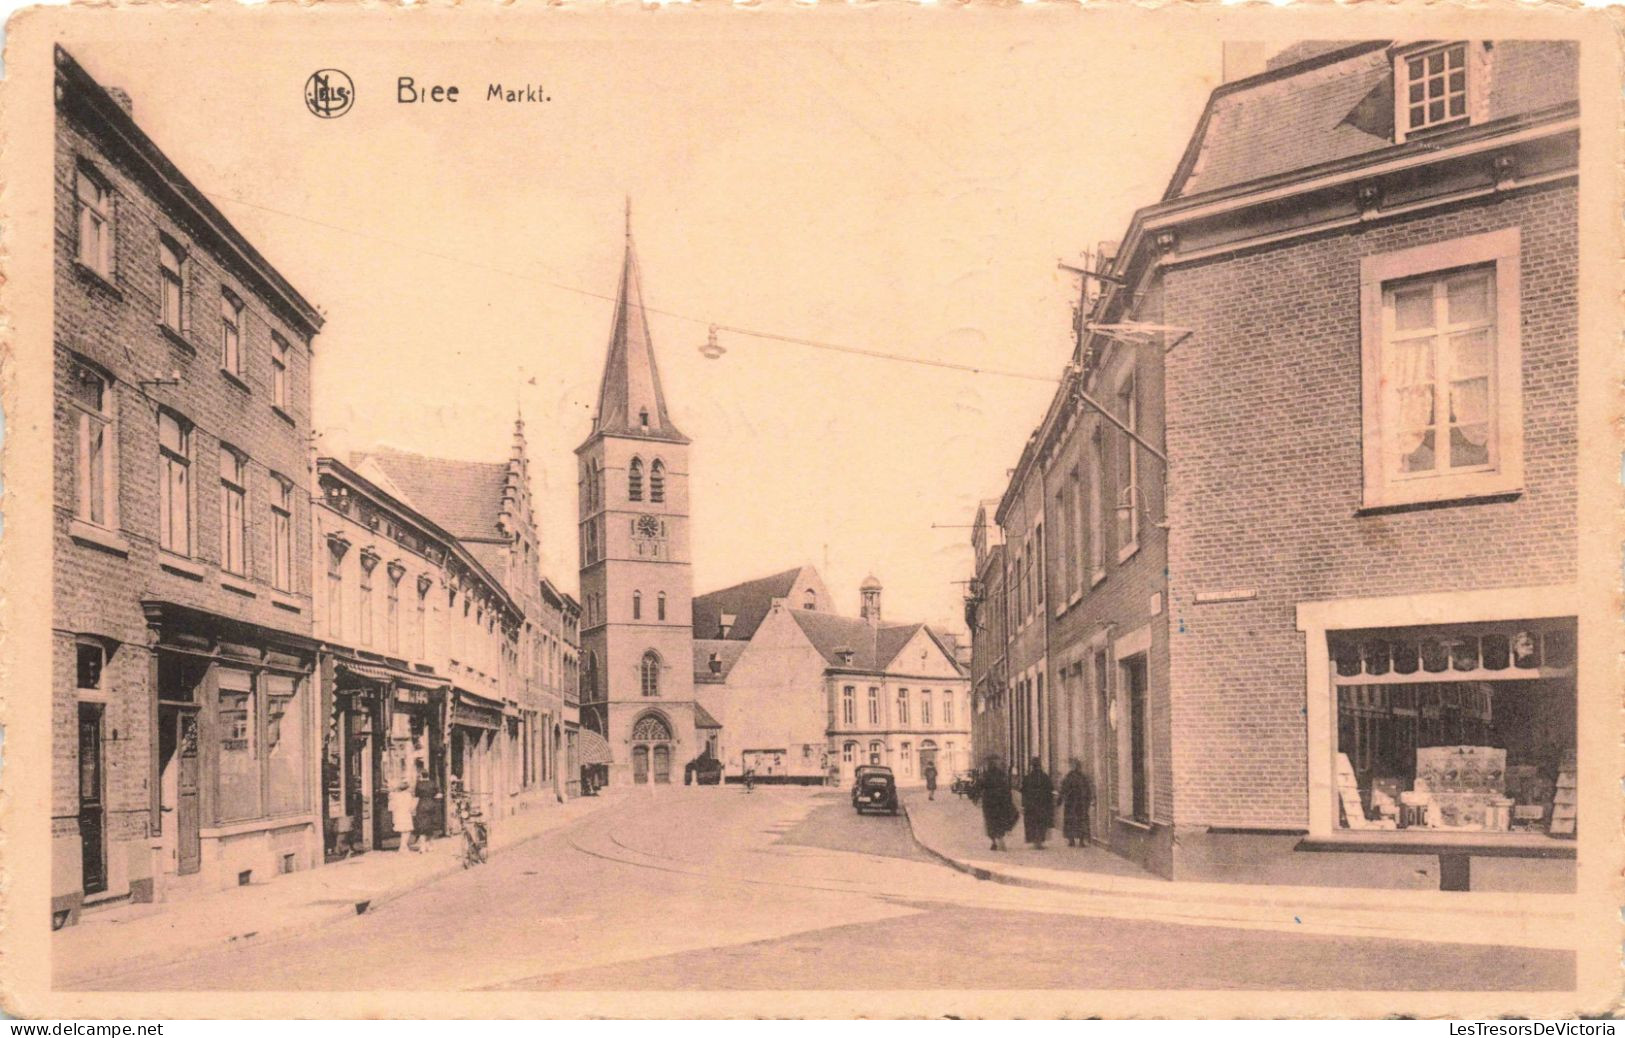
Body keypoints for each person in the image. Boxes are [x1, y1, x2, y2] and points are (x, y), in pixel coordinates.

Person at [979, 755, 1018, 851]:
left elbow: (979, 787)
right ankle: (999, 837)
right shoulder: (1001, 774)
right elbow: (1006, 788)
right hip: (1000, 801)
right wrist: (1009, 800)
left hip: (989, 803)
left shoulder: (985, 775)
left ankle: (994, 841)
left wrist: (977, 798)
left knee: (990, 822)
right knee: (999, 820)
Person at [1058, 758, 1094, 848]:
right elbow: (1087, 791)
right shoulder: (1082, 777)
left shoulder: (1069, 777)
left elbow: (1063, 789)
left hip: (1071, 804)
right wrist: (1088, 801)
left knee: (1071, 821)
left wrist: (1060, 800)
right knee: (1080, 821)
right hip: (1080, 804)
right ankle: (1080, 841)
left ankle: (1072, 840)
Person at [1021, 757, 1054, 849]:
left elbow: (1023, 791)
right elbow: (1050, 790)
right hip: (1042, 804)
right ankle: (1039, 841)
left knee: (1032, 823)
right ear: (1040, 766)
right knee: (1041, 822)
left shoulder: (1027, 778)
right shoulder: (1045, 777)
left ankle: (1035, 841)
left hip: (1031, 805)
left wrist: (1024, 804)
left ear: (1032, 766)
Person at [410, 759, 440, 853]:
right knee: (430, 826)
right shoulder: (433, 783)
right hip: (432, 805)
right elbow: (437, 794)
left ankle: (422, 847)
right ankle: (430, 846)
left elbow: (416, 795)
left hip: (422, 805)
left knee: (422, 827)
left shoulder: (419, 784)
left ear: (421, 776)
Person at [389, 770, 415, 854]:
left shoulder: (395, 796)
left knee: (403, 831)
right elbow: (411, 805)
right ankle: (402, 846)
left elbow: (391, 807)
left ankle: (403, 846)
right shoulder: (408, 795)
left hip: (398, 814)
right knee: (407, 831)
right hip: (406, 814)